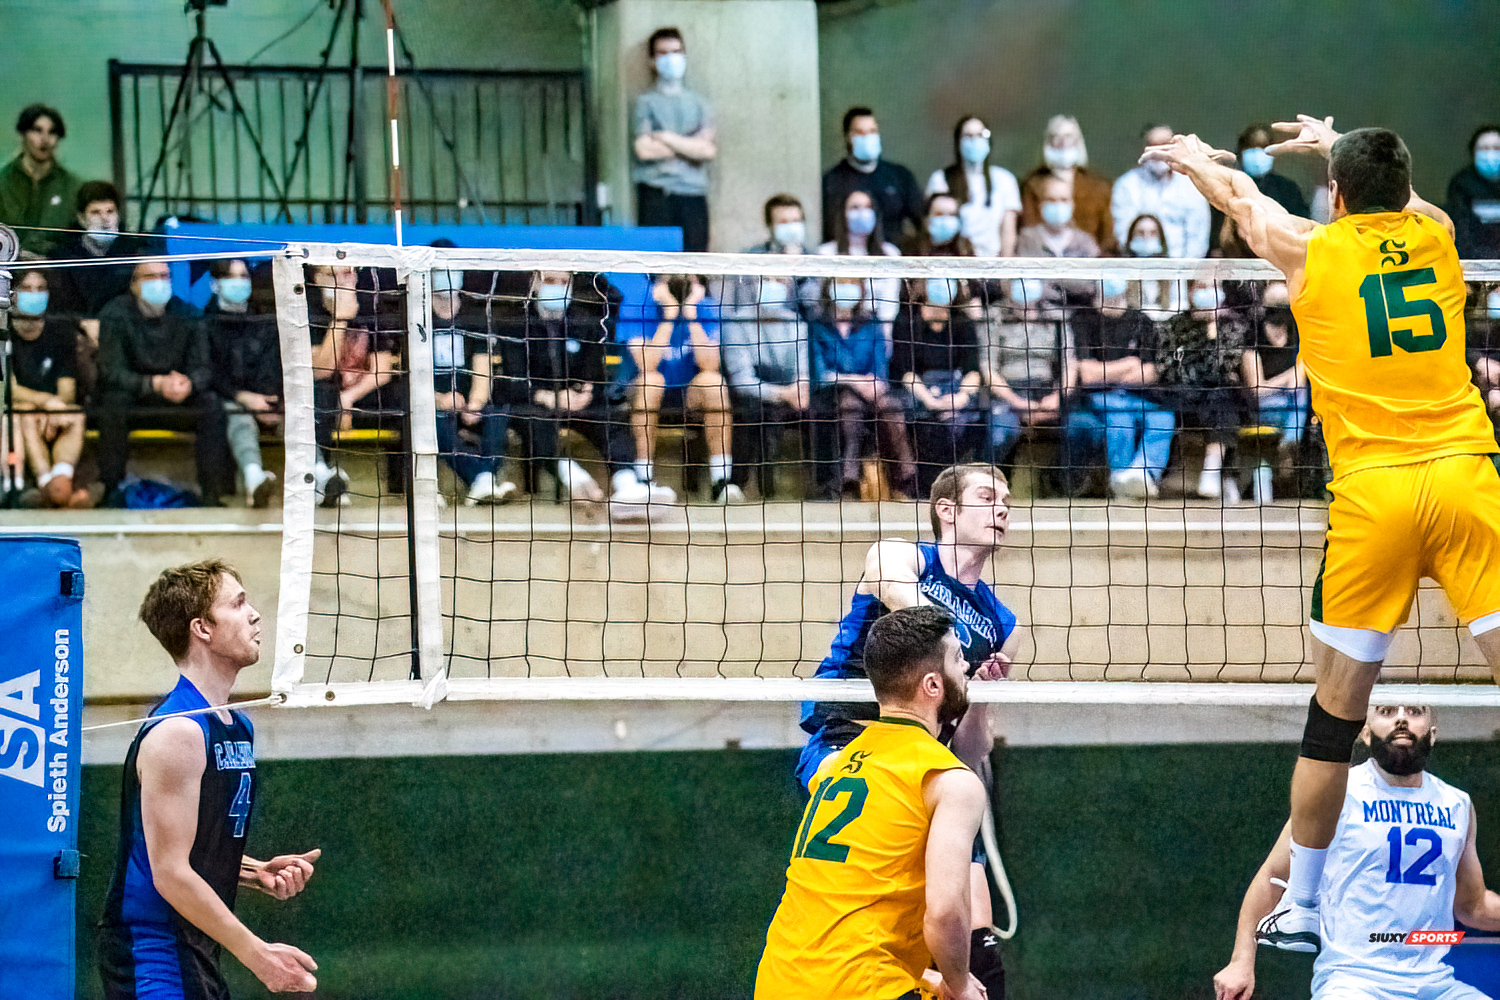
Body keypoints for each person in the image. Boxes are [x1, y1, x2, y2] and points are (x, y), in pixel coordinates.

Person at [1144, 114, 1500, 953]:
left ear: (1335, 194)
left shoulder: (1309, 247)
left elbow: (1239, 196)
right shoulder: (1439, 234)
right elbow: (1395, 193)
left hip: (1374, 495)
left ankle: (1302, 903)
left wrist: (1196, 157)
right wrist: (1343, 144)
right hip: (1468, 479)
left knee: (1335, 724)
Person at [797, 464, 1017, 997]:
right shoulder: (900, 556)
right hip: (848, 739)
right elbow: (910, 613)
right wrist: (960, 653)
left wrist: (979, 696)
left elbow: (968, 745)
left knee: (977, 942)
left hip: (925, 761)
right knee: (860, 895)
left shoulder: (1005, 623)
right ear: (947, 510)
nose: (1004, 509)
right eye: (987, 496)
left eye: (1008, 500)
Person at [97, 559, 320, 998]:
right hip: (152, 949)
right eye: (237, 604)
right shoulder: (178, 732)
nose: (254, 613)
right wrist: (259, 955)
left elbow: (182, 846)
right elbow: (169, 873)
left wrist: (254, 871)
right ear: (202, 628)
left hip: (194, 945)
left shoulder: (236, 726)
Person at [755, 605, 991, 1000]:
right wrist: (958, 982)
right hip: (858, 986)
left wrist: (930, 979)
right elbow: (945, 913)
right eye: (957, 657)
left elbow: (850, 897)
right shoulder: (950, 781)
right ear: (932, 686)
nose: (966, 666)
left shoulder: (836, 764)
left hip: (779, 980)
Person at [1214, 704, 1500, 1000]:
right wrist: (1241, 961)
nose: (1401, 719)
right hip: (1353, 981)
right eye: (1387, 711)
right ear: (1365, 733)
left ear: (1432, 733)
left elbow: (1472, 905)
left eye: (1415, 711)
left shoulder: (1457, 804)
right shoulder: (1337, 791)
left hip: (1436, 984)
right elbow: (1273, 876)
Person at [490, 271, 660, 508]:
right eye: (550, 281)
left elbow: (595, 374)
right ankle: (573, 478)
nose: (557, 288)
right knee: (531, 420)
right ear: (536, 284)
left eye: (564, 282)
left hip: (578, 402)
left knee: (611, 418)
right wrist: (547, 396)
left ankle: (627, 482)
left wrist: (585, 392)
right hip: (536, 403)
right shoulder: (514, 324)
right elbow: (510, 381)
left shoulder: (585, 322)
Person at [97, 259, 230, 507]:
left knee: (211, 404)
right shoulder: (114, 314)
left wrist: (189, 383)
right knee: (112, 402)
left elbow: (204, 367)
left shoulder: (188, 314)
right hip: (136, 398)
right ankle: (110, 490)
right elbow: (111, 372)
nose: (159, 283)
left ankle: (213, 493)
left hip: (179, 399)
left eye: (164, 276)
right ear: (134, 285)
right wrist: (154, 383)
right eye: (150, 277)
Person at [720, 194, 815, 497]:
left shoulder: (811, 267)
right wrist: (782, 393)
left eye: (796, 220)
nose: (791, 227)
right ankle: (736, 484)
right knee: (754, 409)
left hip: (787, 381)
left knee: (826, 407)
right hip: (756, 383)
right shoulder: (739, 318)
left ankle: (827, 489)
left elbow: (815, 308)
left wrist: (800, 385)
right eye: (783, 221)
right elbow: (742, 379)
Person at [623, 274, 740, 502]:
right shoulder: (638, 305)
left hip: (689, 392)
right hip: (646, 391)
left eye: (688, 281)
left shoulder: (705, 307)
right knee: (652, 381)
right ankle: (643, 478)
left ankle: (721, 480)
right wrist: (669, 316)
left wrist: (690, 315)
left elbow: (710, 364)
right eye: (672, 282)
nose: (680, 288)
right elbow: (647, 365)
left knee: (713, 382)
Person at [1065, 283, 1174, 500]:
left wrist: (1108, 372)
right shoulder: (1083, 319)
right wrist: (1130, 363)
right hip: (1101, 397)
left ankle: (1143, 474)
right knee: (1119, 418)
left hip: (1139, 395)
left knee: (1164, 418)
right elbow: (1087, 375)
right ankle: (1120, 479)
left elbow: (1151, 372)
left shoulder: (1141, 320)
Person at [809, 277, 914, 499]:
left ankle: (906, 477)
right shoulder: (818, 325)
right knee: (850, 404)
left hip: (871, 391)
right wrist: (856, 381)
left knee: (890, 406)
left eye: (852, 284)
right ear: (830, 289)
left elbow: (880, 369)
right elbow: (820, 374)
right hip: (832, 393)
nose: (847, 288)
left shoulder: (871, 324)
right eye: (841, 283)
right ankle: (849, 480)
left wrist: (873, 384)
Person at [1156, 278, 1249, 501]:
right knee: (1217, 392)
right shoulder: (1172, 326)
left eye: (1212, 287)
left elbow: (1221, 368)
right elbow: (1168, 369)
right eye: (1201, 287)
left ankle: (1213, 469)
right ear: (1189, 292)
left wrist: (1212, 331)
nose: (1208, 292)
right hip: (1181, 397)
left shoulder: (1233, 326)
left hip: (1217, 398)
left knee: (1222, 395)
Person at [6, 266, 91, 507]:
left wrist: (55, 407)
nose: (35, 294)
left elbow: (67, 389)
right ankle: (48, 484)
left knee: (73, 415)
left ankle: (59, 480)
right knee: (25, 415)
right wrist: (43, 402)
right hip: (21, 410)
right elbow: (8, 389)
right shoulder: (4, 332)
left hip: (52, 411)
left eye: (41, 288)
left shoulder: (60, 332)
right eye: (28, 289)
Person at [892, 279, 986, 495]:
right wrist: (929, 400)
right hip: (919, 391)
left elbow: (973, 370)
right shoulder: (907, 322)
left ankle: (960, 488)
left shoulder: (963, 322)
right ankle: (925, 489)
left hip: (955, 389)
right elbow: (906, 371)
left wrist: (961, 396)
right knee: (925, 424)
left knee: (971, 421)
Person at [429, 266, 511, 505]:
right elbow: (411, 373)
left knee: (497, 412)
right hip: (431, 399)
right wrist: (439, 398)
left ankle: (482, 481)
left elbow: (482, 368)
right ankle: (482, 478)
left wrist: (474, 404)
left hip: (468, 398)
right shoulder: (417, 316)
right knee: (434, 419)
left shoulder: (473, 316)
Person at [632, 27, 716, 252]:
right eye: (663, 52)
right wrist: (689, 145)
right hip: (656, 194)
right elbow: (644, 150)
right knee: (656, 270)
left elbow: (707, 151)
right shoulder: (646, 103)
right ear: (652, 60)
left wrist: (665, 137)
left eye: (676, 51)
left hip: (694, 195)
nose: (671, 58)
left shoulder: (699, 103)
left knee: (697, 269)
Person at [206, 259, 281, 508]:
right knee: (239, 418)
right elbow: (208, 373)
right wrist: (243, 397)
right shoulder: (204, 324)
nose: (239, 282)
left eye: (244, 276)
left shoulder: (264, 321)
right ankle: (253, 479)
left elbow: (272, 364)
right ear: (215, 284)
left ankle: (320, 476)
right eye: (231, 276)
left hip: (265, 399)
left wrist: (270, 399)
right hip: (230, 400)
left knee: (296, 415)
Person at [822, 106, 924, 246]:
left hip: (894, 259)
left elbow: (921, 222)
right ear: (847, 137)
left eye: (872, 131)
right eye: (859, 133)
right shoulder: (832, 180)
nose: (867, 137)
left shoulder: (900, 176)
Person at [1241, 295, 1309, 503]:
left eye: (1282, 321)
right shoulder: (1252, 348)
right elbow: (1258, 390)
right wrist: (1287, 377)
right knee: (1294, 402)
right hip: (1264, 410)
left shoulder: (1297, 341)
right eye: (1272, 321)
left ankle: (1289, 444)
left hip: (1293, 406)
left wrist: (1283, 381)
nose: (1278, 327)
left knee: (1301, 397)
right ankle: (1287, 447)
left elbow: (1298, 383)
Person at [926, 115, 1023, 257]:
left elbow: (1008, 231)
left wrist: (1005, 272)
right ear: (958, 142)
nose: (975, 141)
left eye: (980, 135)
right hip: (953, 262)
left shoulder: (1004, 180)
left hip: (992, 266)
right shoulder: (941, 179)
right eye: (968, 136)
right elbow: (931, 227)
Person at [1112, 124, 1211, 259]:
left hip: (1181, 270)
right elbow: (1123, 234)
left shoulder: (1192, 185)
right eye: (1153, 145)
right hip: (1139, 267)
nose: (1159, 152)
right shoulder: (1126, 185)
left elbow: (1198, 237)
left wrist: (1186, 275)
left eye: (1165, 145)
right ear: (1143, 149)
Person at [1019, 115, 1116, 253]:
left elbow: (1106, 236)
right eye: (1056, 137)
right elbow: (1029, 228)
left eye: (1069, 136)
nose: (1063, 142)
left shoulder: (1098, 186)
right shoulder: (1033, 184)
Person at [0, 104, 79, 256]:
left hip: (56, 271)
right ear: (23, 134)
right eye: (37, 130)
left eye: (52, 132)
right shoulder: (3, 182)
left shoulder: (72, 187)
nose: (45, 139)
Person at [818, 188, 903, 327]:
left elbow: (890, 307)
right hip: (834, 328)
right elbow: (818, 303)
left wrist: (885, 336)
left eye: (868, 207)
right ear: (843, 214)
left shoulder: (890, 253)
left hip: (875, 329)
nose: (863, 213)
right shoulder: (826, 253)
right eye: (855, 207)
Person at [1448, 125, 1500, 260]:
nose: (1490, 154)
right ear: (1473, 152)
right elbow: (1461, 229)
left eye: (1496, 148)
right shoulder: (1462, 184)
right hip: (1474, 260)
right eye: (1484, 148)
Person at [1121, 212, 1180, 319]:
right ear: (1131, 237)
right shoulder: (1120, 270)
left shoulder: (1173, 272)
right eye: (1140, 232)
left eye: (1152, 233)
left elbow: (1178, 306)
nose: (1146, 238)